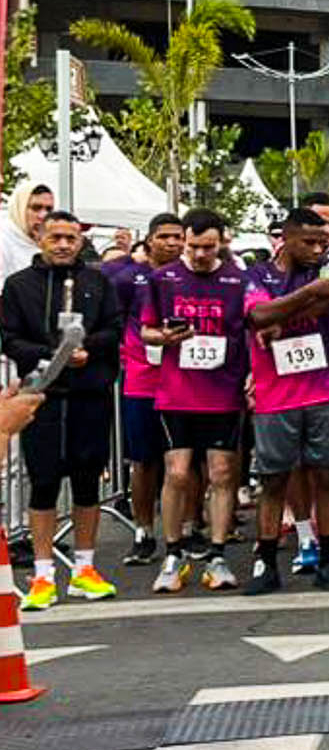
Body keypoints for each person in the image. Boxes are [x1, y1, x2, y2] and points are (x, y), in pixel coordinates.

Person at [4, 209, 124, 607]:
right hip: (43, 399)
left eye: (70, 238)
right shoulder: (19, 285)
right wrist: (51, 354)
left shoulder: (98, 281)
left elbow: (115, 327)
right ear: (40, 237)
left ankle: (85, 568)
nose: (62, 245)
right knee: (43, 482)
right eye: (55, 237)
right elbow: (8, 337)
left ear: (80, 241)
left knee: (88, 480)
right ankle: (42, 574)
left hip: (90, 395)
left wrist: (89, 350)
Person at [242, 208, 329, 595]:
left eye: (323, 243)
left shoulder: (328, 268)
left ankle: (328, 560)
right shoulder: (257, 274)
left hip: (325, 389)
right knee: (274, 480)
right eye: (308, 242)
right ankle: (266, 563)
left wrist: (283, 316)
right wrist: (305, 296)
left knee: (327, 475)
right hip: (275, 394)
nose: (317, 249)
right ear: (286, 239)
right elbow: (258, 314)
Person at [141, 208, 249, 593]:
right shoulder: (163, 279)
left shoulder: (239, 280)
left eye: (208, 247)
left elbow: (253, 330)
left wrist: (251, 375)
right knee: (178, 473)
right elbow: (146, 330)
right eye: (193, 247)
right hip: (177, 391)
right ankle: (173, 552)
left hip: (223, 392)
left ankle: (218, 554)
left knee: (221, 474)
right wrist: (163, 338)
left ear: (222, 242)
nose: (200, 254)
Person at [113, 212, 185, 566]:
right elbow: (115, 318)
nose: (172, 243)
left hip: (187, 380)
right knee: (143, 460)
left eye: (178, 236)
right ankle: (143, 530)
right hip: (142, 380)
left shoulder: (191, 277)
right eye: (165, 236)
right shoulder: (130, 278)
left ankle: (188, 527)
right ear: (151, 239)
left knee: (188, 459)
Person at [2, 181, 52, 279]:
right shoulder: (4, 240)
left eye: (49, 209)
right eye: (36, 208)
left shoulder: (46, 243)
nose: (43, 216)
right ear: (20, 208)